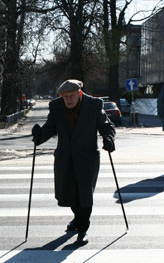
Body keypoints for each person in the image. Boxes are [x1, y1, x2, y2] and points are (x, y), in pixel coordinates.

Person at [31, 79, 115, 245]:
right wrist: (39, 136)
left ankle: (83, 229)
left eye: (71, 96)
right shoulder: (56, 106)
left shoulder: (94, 105)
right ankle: (77, 218)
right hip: (65, 158)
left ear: (80, 94)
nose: (68, 99)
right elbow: (50, 127)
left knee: (85, 194)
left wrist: (109, 138)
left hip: (87, 158)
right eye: (65, 96)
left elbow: (106, 126)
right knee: (68, 193)